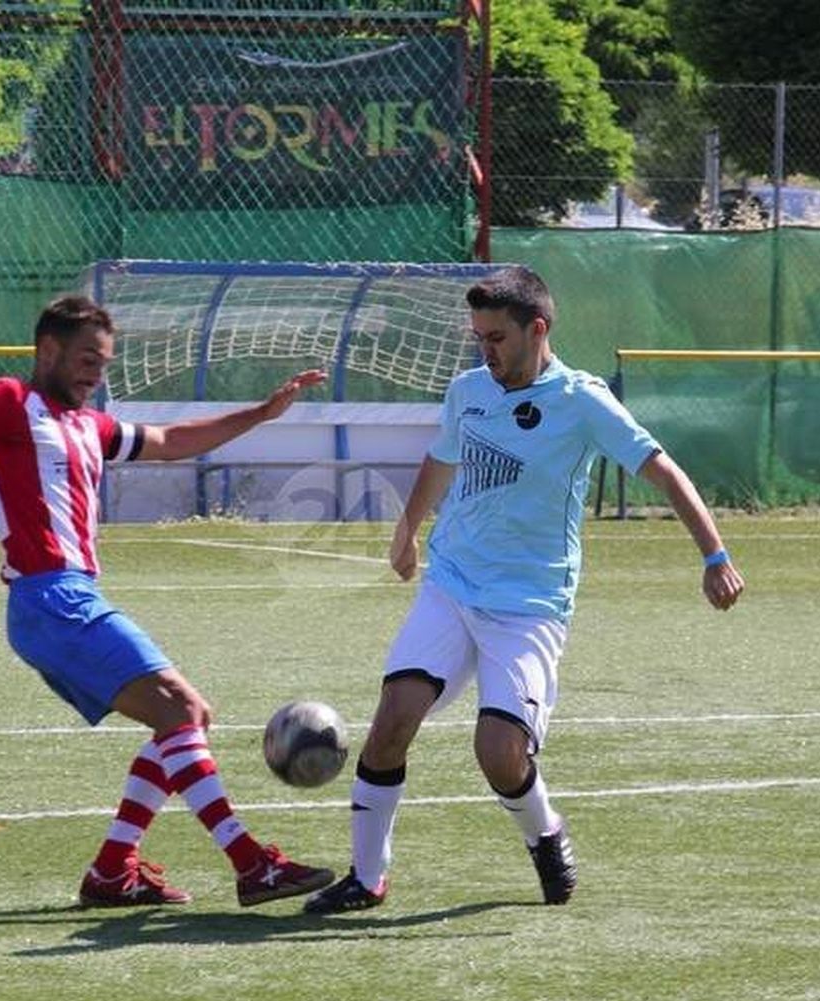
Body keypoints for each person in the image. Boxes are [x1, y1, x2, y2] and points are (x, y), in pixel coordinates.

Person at [0, 293, 334, 908]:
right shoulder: (8, 400)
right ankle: (251, 864)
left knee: (182, 719)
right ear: (48, 350)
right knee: (183, 708)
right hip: (50, 596)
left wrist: (262, 413)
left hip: (66, 598)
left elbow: (170, 439)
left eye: (104, 363)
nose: (96, 373)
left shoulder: (89, 425)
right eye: (88, 359)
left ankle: (113, 872)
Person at [304, 266, 744, 913]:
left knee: (499, 752)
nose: (486, 351)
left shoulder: (582, 401)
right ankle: (367, 878)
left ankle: (545, 834)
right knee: (393, 718)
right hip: (452, 585)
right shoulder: (468, 391)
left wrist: (715, 555)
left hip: (528, 606)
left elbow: (663, 470)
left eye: (497, 338)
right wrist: (407, 531)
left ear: (537, 329)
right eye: (479, 338)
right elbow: (442, 457)